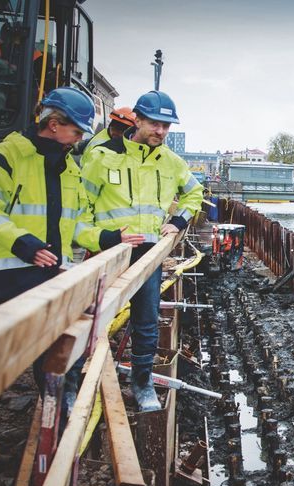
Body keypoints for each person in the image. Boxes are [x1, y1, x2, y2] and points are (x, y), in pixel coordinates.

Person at [0, 86, 143, 388]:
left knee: (52, 358)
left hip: (47, 276)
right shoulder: (5, 157)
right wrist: (23, 243)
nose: (79, 139)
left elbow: (74, 224)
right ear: (54, 124)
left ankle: (54, 408)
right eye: (76, 132)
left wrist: (108, 238)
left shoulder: (68, 168)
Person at [81, 90, 203, 411]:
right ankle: (79, 384)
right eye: (154, 124)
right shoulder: (103, 156)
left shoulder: (171, 162)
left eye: (166, 126)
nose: (160, 131)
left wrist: (178, 221)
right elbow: (80, 206)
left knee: (146, 322)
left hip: (148, 254)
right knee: (90, 320)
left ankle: (142, 382)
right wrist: (99, 239)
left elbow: (195, 193)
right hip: (108, 252)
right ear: (137, 120)